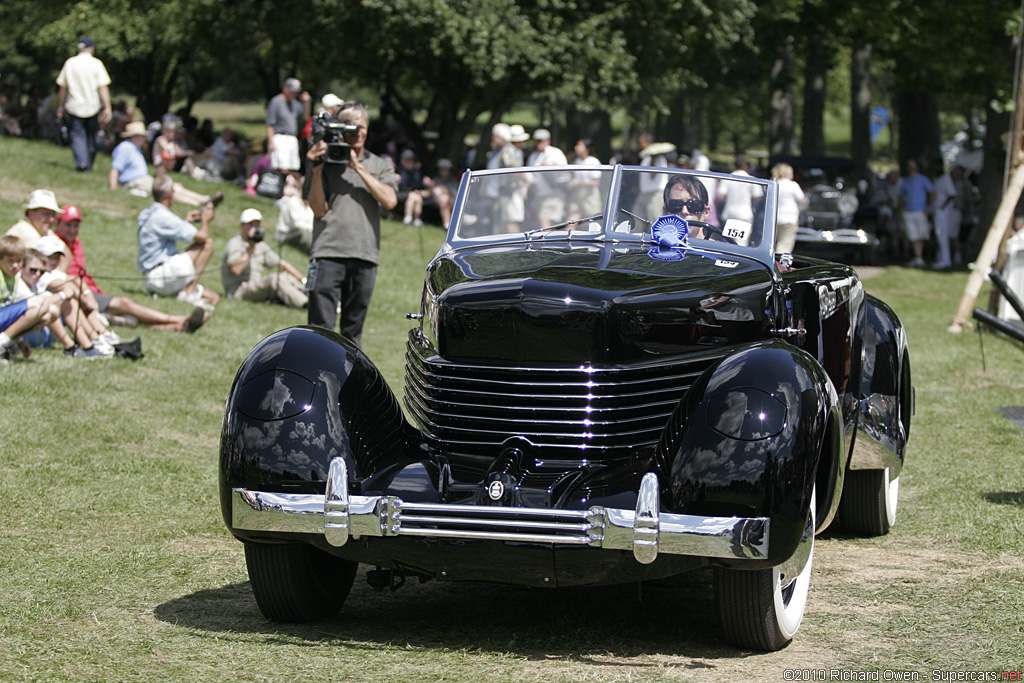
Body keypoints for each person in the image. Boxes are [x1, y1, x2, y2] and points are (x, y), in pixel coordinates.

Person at [304, 102, 398, 345]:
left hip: (364, 254)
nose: (358, 132)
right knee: (319, 330)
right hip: (328, 251)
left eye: (362, 126)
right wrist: (315, 170)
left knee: (352, 333)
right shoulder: (323, 162)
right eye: (352, 127)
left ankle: (349, 381)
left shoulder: (378, 165)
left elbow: (389, 200)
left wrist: (357, 167)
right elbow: (317, 209)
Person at [54, 205, 207, 332]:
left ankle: (178, 327)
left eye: (76, 225)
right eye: (68, 225)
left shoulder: (75, 242)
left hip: (90, 290)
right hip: (79, 292)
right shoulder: (54, 245)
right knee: (125, 304)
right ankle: (179, 319)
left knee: (132, 318)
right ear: (58, 223)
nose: (72, 230)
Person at [137, 174, 221, 309]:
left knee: (213, 297)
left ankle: (179, 293)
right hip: (161, 275)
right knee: (208, 244)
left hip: (151, 277)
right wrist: (205, 219)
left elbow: (167, 231)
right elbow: (202, 237)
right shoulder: (164, 216)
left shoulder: (147, 212)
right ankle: (188, 292)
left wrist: (185, 222)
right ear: (170, 195)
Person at [110, 120, 220, 206]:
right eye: (142, 135)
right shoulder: (125, 148)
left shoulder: (134, 148)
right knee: (167, 190)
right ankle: (200, 202)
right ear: (136, 136)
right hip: (135, 181)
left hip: (143, 179)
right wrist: (113, 185)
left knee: (173, 186)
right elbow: (115, 168)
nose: (144, 138)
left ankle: (203, 199)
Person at [222, 209, 308, 308]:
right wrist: (251, 248)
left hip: (256, 286)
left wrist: (302, 280)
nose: (254, 228)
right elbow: (236, 270)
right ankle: (305, 304)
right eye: (251, 224)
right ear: (242, 226)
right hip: (239, 290)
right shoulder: (235, 243)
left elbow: (282, 264)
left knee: (285, 276)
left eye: (257, 225)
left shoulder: (260, 246)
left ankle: (307, 292)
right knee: (274, 279)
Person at [55, 37, 112, 172]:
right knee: (91, 136)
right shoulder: (97, 64)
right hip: (92, 106)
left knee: (77, 135)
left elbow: (62, 87)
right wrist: (107, 107)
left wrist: (60, 106)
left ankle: (82, 162)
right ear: (91, 48)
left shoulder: (70, 63)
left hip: (74, 105)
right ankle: (87, 163)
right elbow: (102, 87)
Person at [525, 128, 569, 227]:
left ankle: (547, 243)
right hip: (539, 194)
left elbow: (564, 172)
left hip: (553, 194)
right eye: (537, 141)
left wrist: (549, 167)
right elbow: (530, 174)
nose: (539, 143)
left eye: (542, 140)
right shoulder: (534, 156)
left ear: (547, 141)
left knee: (545, 222)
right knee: (544, 224)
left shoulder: (555, 153)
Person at [266, 78, 311, 175]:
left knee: (293, 167)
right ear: (285, 89)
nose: (294, 94)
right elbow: (270, 123)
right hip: (280, 137)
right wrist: (271, 142)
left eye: (296, 92)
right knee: (283, 168)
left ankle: (289, 188)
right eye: (292, 91)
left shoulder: (295, 104)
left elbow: (305, 117)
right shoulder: (276, 102)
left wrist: (306, 103)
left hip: (292, 138)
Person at [897, 159, 935, 268]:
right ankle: (918, 257)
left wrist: (928, 207)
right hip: (909, 212)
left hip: (920, 211)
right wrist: (901, 210)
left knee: (921, 234)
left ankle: (919, 257)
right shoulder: (905, 181)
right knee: (913, 236)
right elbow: (900, 197)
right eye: (909, 166)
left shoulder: (923, 180)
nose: (911, 169)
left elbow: (933, 193)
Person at [717, 154, 764, 224]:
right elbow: (758, 197)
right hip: (745, 214)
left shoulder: (727, 179)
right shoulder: (752, 179)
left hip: (729, 213)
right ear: (745, 165)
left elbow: (721, 196)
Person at [931, 163, 961, 269]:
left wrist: (942, 207)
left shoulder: (945, 178)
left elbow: (952, 194)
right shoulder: (938, 178)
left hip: (943, 211)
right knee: (939, 235)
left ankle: (945, 260)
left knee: (942, 234)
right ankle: (941, 258)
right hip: (938, 210)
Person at [771, 162, 806, 253]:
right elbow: (802, 199)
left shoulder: (774, 184)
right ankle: (780, 265)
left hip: (775, 218)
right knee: (784, 245)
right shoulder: (793, 185)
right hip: (789, 218)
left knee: (774, 243)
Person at [274, 174, 314, 250]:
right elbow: (297, 224)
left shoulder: (310, 205)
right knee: (305, 234)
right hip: (287, 233)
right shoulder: (293, 202)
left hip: (303, 232)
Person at [568, 138, 601, 221]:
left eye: (579, 145)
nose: (576, 148)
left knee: (591, 221)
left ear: (587, 148)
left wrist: (580, 182)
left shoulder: (593, 161)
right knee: (572, 219)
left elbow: (596, 182)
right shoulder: (577, 161)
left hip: (590, 196)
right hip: (578, 195)